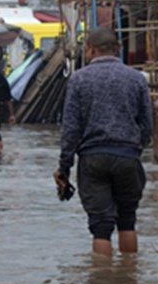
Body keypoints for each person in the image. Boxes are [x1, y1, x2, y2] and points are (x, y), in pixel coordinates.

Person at [54, 28, 152, 257]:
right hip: (128, 156)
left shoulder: (79, 79)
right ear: (116, 49)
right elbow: (147, 123)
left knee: (101, 227)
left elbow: (71, 128)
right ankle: (128, 282)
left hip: (93, 158)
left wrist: (64, 167)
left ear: (91, 49)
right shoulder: (136, 79)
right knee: (127, 221)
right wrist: (135, 148)